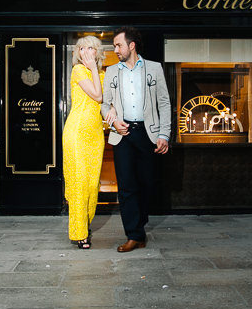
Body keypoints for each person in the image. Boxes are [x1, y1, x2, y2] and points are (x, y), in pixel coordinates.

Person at [101, 27, 171, 253]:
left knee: (147, 183)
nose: (116, 49)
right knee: (127, 186)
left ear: (132, 46)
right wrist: (112, 121)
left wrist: (163, 134)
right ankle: (134, 234)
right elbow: (104, 104)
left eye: (119, 45)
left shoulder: (154, 68)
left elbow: (164, 103)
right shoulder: (111, 71)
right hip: (123, 134)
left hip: (147, 133)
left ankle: (139, 225)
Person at [62, 35, 106, 249]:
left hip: (96, 134)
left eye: (91, 48)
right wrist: (94, 70)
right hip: (77, 132)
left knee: (92, 184)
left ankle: (84, 224)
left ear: (97, 52)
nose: (87, 52)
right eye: (82, 48)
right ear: (78, 53)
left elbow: (108, 101)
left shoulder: (103, 74)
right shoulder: (78, 71)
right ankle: (79, 232)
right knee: (79, 183)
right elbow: (97, 96)